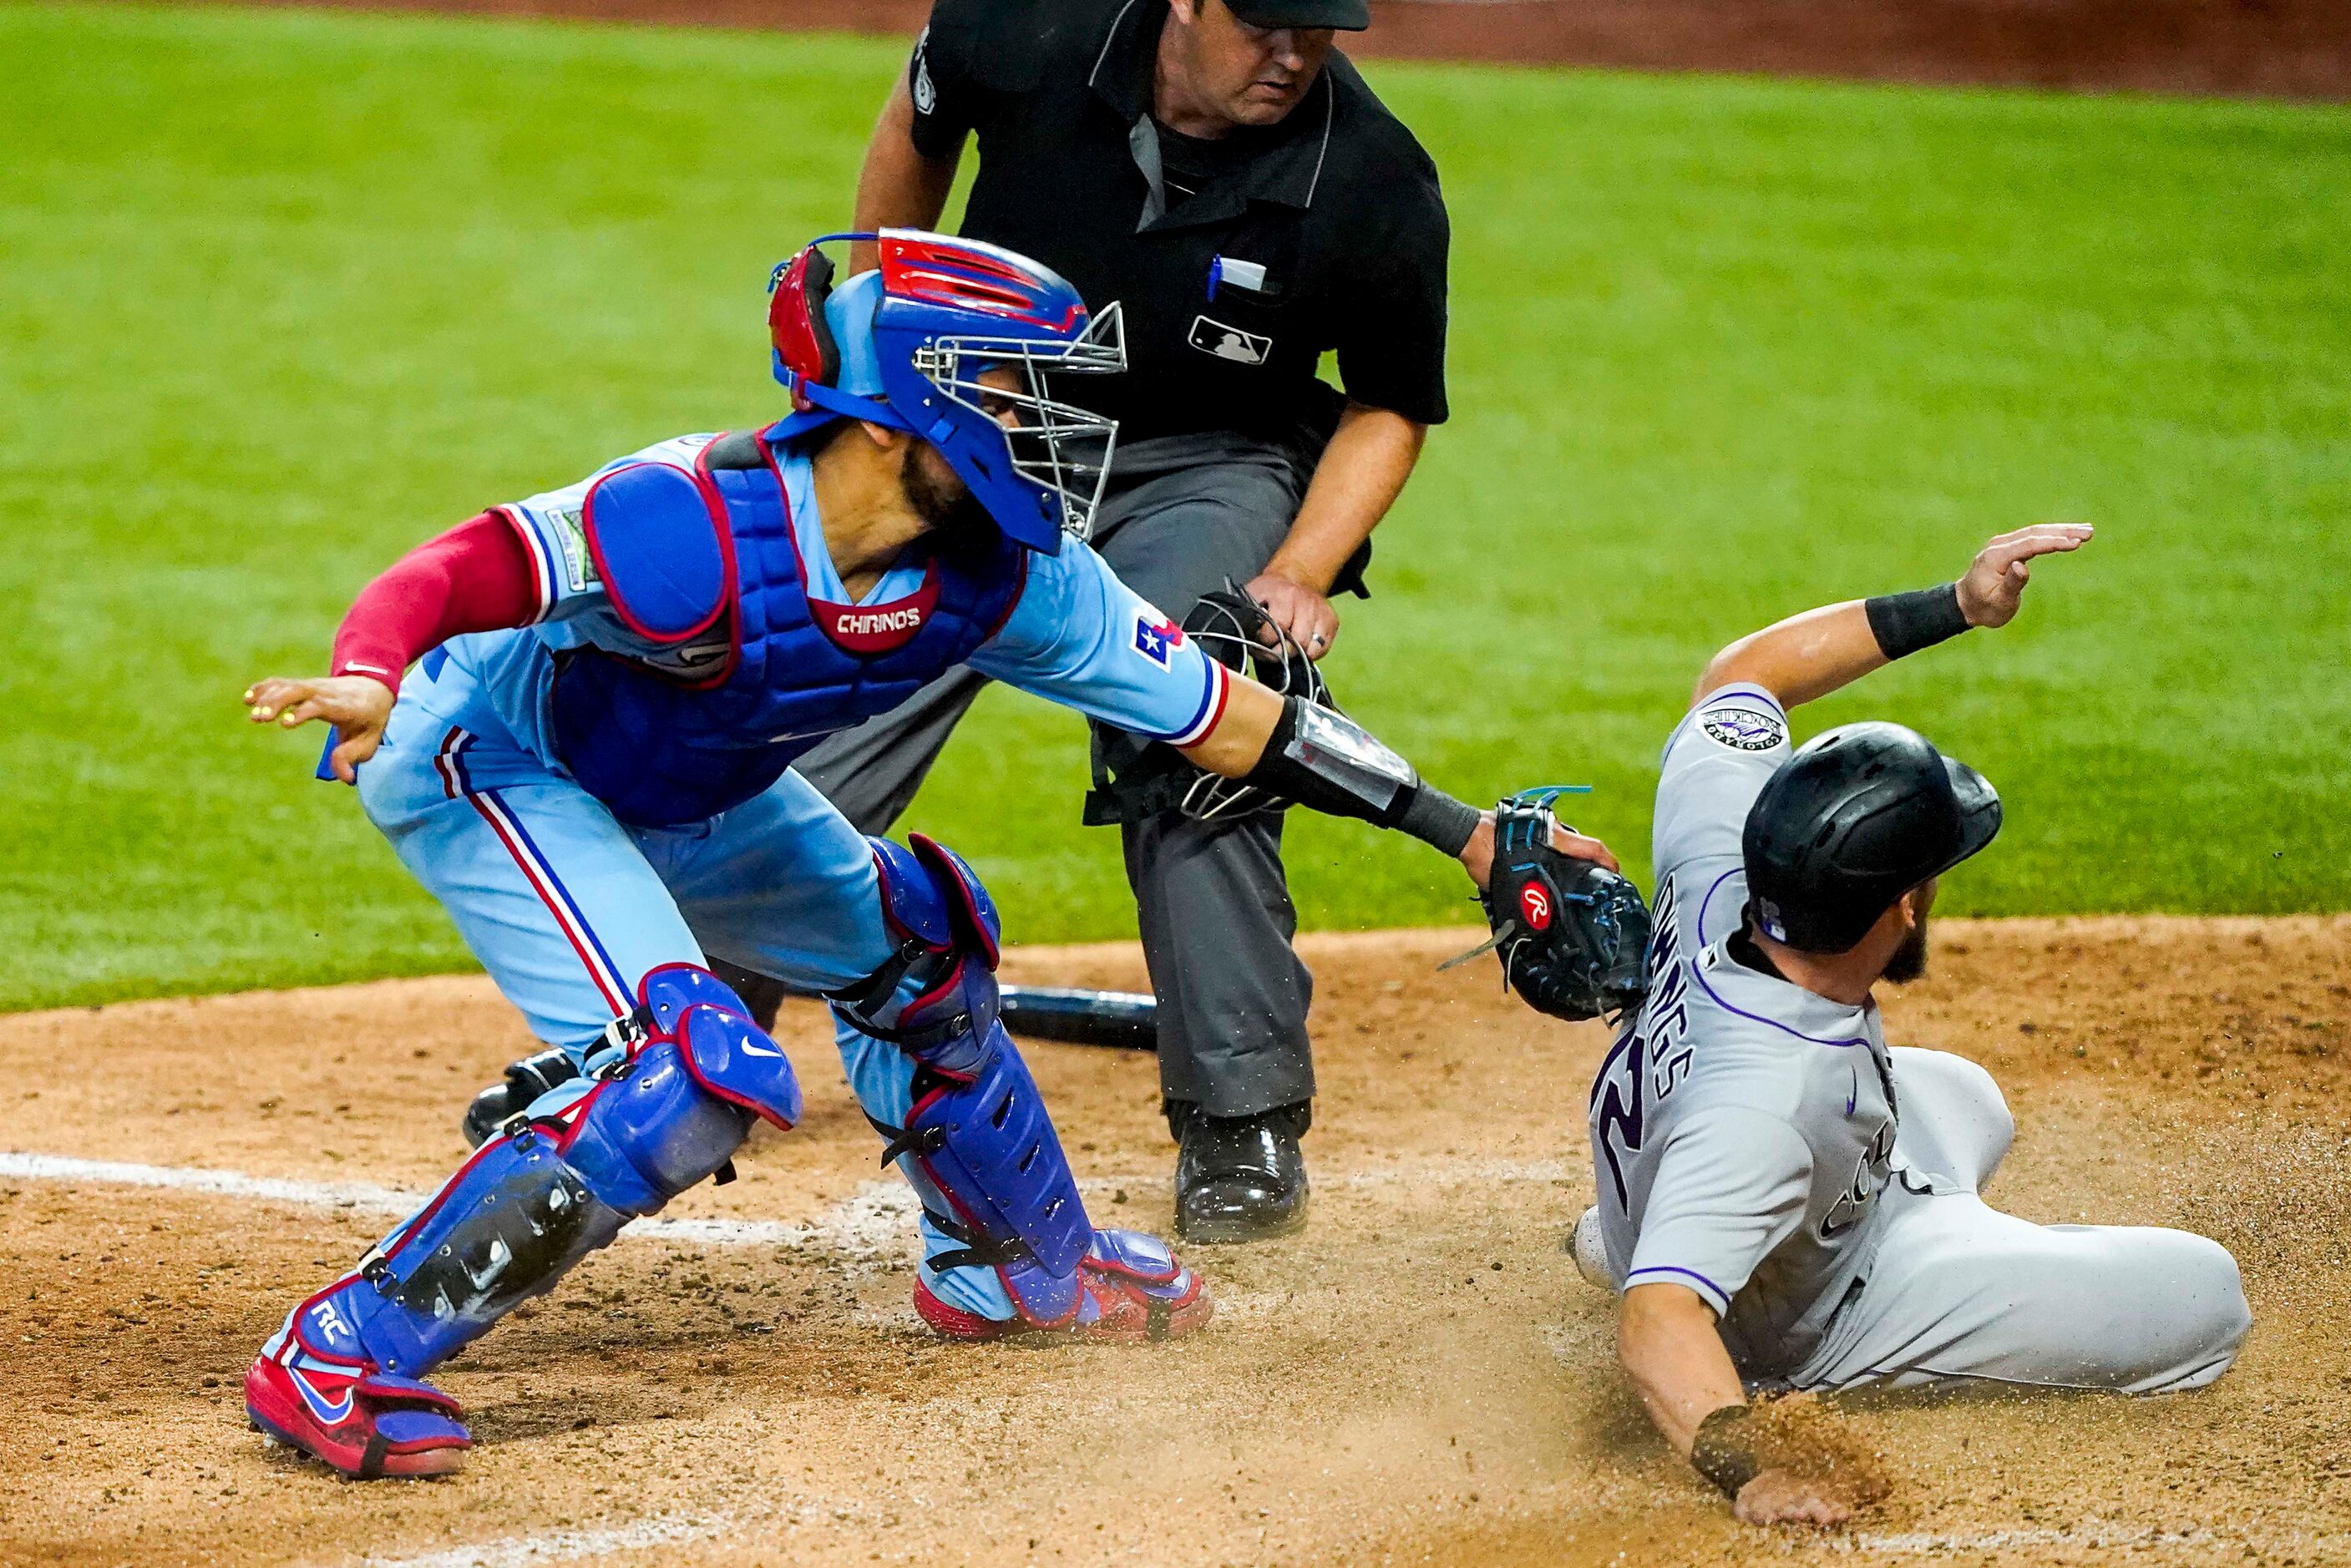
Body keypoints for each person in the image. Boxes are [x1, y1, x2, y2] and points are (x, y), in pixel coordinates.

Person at [235, 230, 1613, 1478]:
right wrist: (368, 670)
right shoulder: (689, 522)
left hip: (702, 788)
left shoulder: (1008, 573)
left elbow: (1228, 717)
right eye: (1016, 394)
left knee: (917, 949)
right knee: (682, 1076)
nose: (1052, 423)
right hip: (492, 754)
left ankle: (1016, 1268)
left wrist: (1470, 833)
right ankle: (341, 1349)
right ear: (905, 415)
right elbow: (458, 569)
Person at [780, 0, 1456, 1242]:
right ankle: (669, 1036)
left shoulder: (1365, 177)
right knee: (810, 678)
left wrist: (1300, 568)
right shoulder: (1024, 23)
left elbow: (1387, 403)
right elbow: (914, 131)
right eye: (1264, 22)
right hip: (993, 417)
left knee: (1198, 710)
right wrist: (880, 328)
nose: (1293, 53)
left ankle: (1238, 1114)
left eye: (1319, 27)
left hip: (1207, 458)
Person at [1573, 523, 2252, 1526]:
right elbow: (1655, 1324)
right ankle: (1743, 1287)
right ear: (1898, 906)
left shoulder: (1721, 856)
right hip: (1807, 1320)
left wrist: (1959, 604)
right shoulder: (1767, 1103)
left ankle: (1636, 1233)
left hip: (1738, 1171)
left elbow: (1741, 680)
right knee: (2205, 1297)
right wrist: (1754, 1467)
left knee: (1962, 1095)